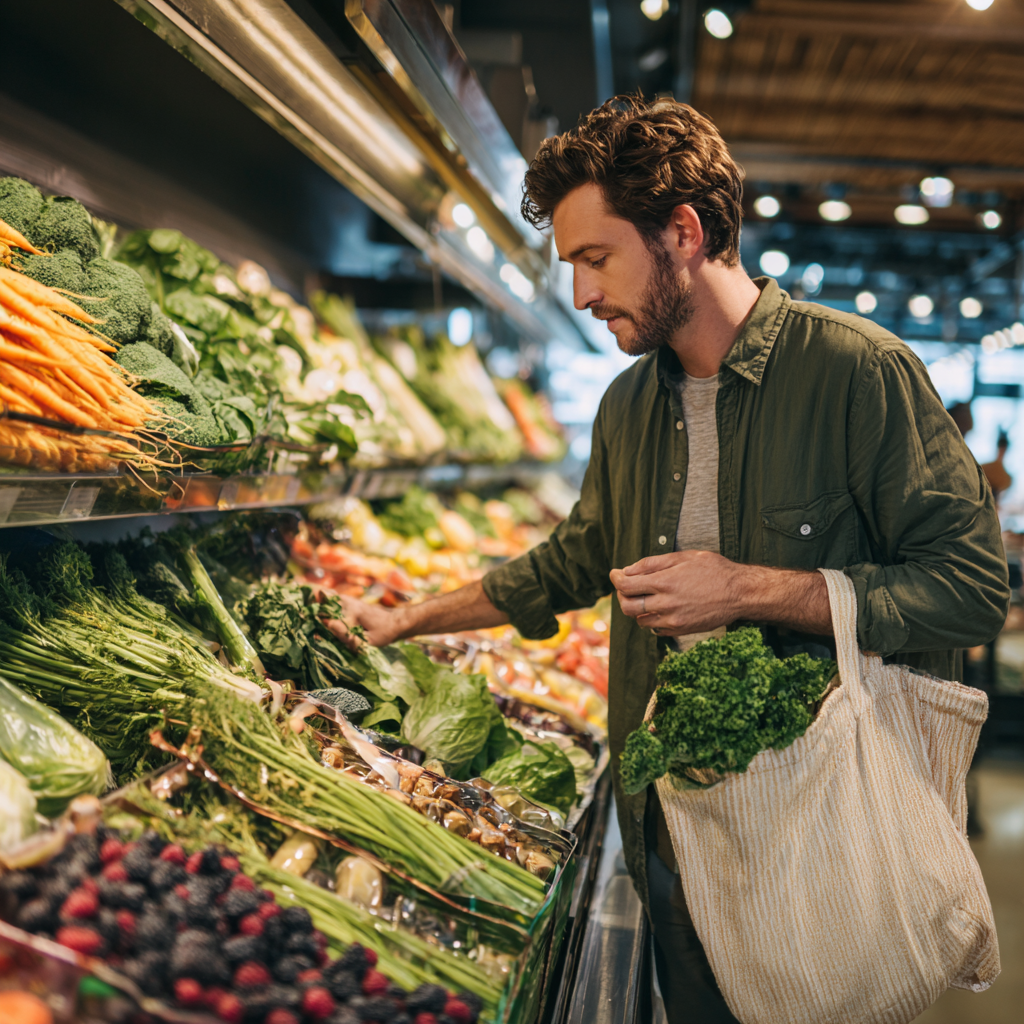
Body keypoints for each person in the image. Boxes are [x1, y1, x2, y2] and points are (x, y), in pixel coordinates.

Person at [328, 96, 1009, 1024]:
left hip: (817, 841)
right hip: (670, 838)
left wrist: (750, 589)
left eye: (595, 259)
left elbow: (970, 589)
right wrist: (403, 619)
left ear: (682, 233)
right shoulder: (627, 407)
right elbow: (574, 561)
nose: (580, 293)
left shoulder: (856, 372)